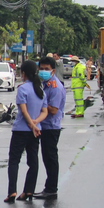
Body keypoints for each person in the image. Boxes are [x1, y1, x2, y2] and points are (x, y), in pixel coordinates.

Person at [5, 60, 48, 203]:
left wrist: (31, 124)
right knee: (33, 161)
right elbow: (44, 112)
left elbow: (23, 111)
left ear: (23, 74)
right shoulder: (40, 90)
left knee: (14, 161)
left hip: (21, 130)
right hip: (35, 132)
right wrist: (36, 123)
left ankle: (12, 191)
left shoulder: (23, 89)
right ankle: (29, 190)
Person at [34, 56, 66, 200]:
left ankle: (51, 189)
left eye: (46, 69)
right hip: (44, 126)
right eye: (41, 69)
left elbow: (53, 110)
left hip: (51, 127)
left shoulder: (55, 87)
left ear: (53, 71)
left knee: (50, 158)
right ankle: (49, 187)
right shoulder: (45, 84)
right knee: (47, 158)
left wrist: (37, 108)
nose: (43, 71)